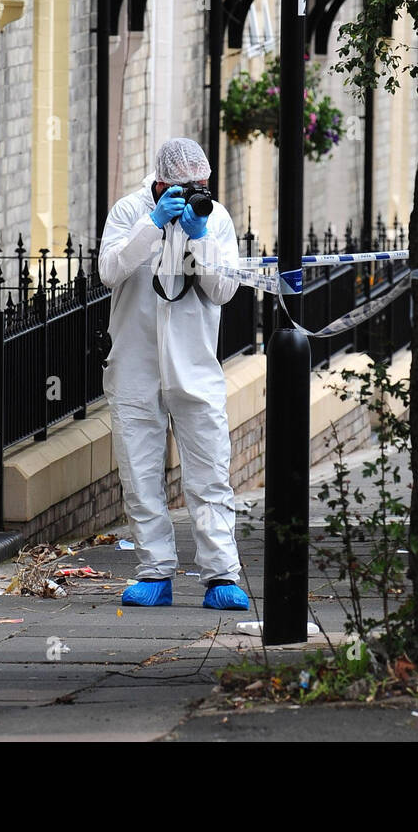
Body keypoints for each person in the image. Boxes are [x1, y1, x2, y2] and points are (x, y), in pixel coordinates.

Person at [98, 138, 250, 610]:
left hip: (195, 365)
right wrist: (153, 226)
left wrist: (199, 235)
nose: (195, 193)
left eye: (202, 186)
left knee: (209, 473)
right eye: (186, 188)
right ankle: (154, 571)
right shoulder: (129, 211)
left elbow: (224, 290)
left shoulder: (216, 219)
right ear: (161, 183)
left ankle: (221, 575)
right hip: (136, 364)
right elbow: (109, 270)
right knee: (141, 472)